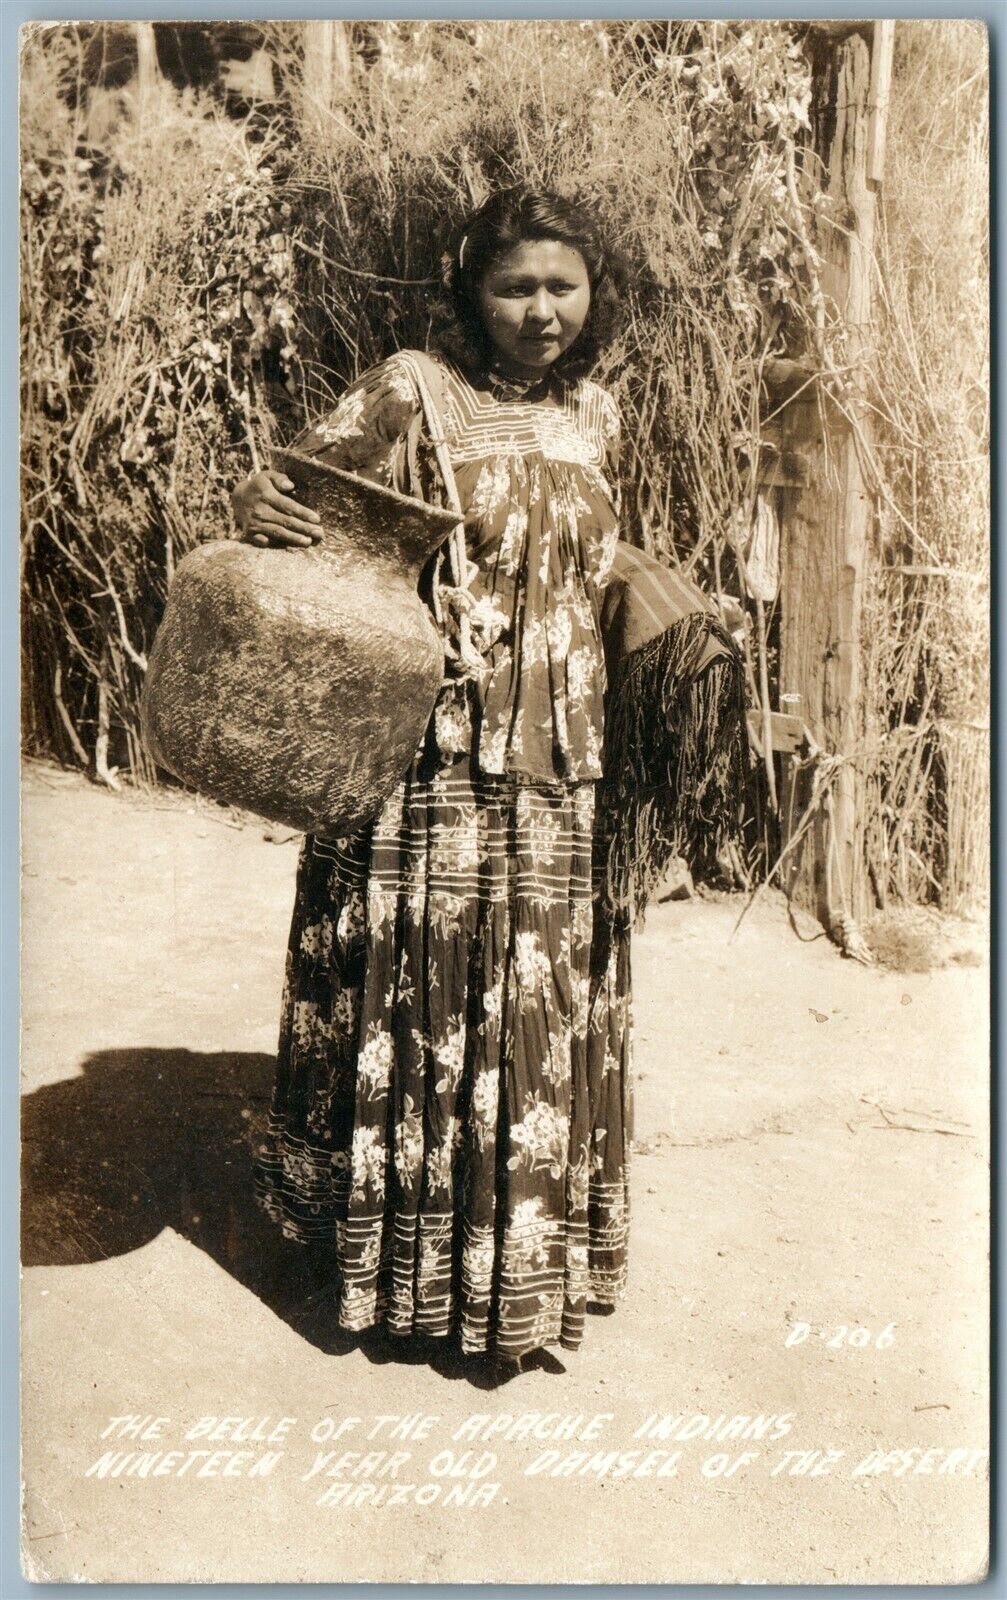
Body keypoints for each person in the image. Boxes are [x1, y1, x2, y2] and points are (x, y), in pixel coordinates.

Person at [230, 185, 745, 1375]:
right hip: (434, 758)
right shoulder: (414, 388)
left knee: (532, 1000)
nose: (538, 309)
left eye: (560, 285)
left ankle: (509, 1276)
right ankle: (406, 1282)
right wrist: (254, 501)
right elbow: (295, 499)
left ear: (590, 294)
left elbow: (574, 563)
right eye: (513, 285)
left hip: (563, 766)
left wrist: (659, 606)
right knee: (426, 984)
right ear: (471, 292)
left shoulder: (596, 414)